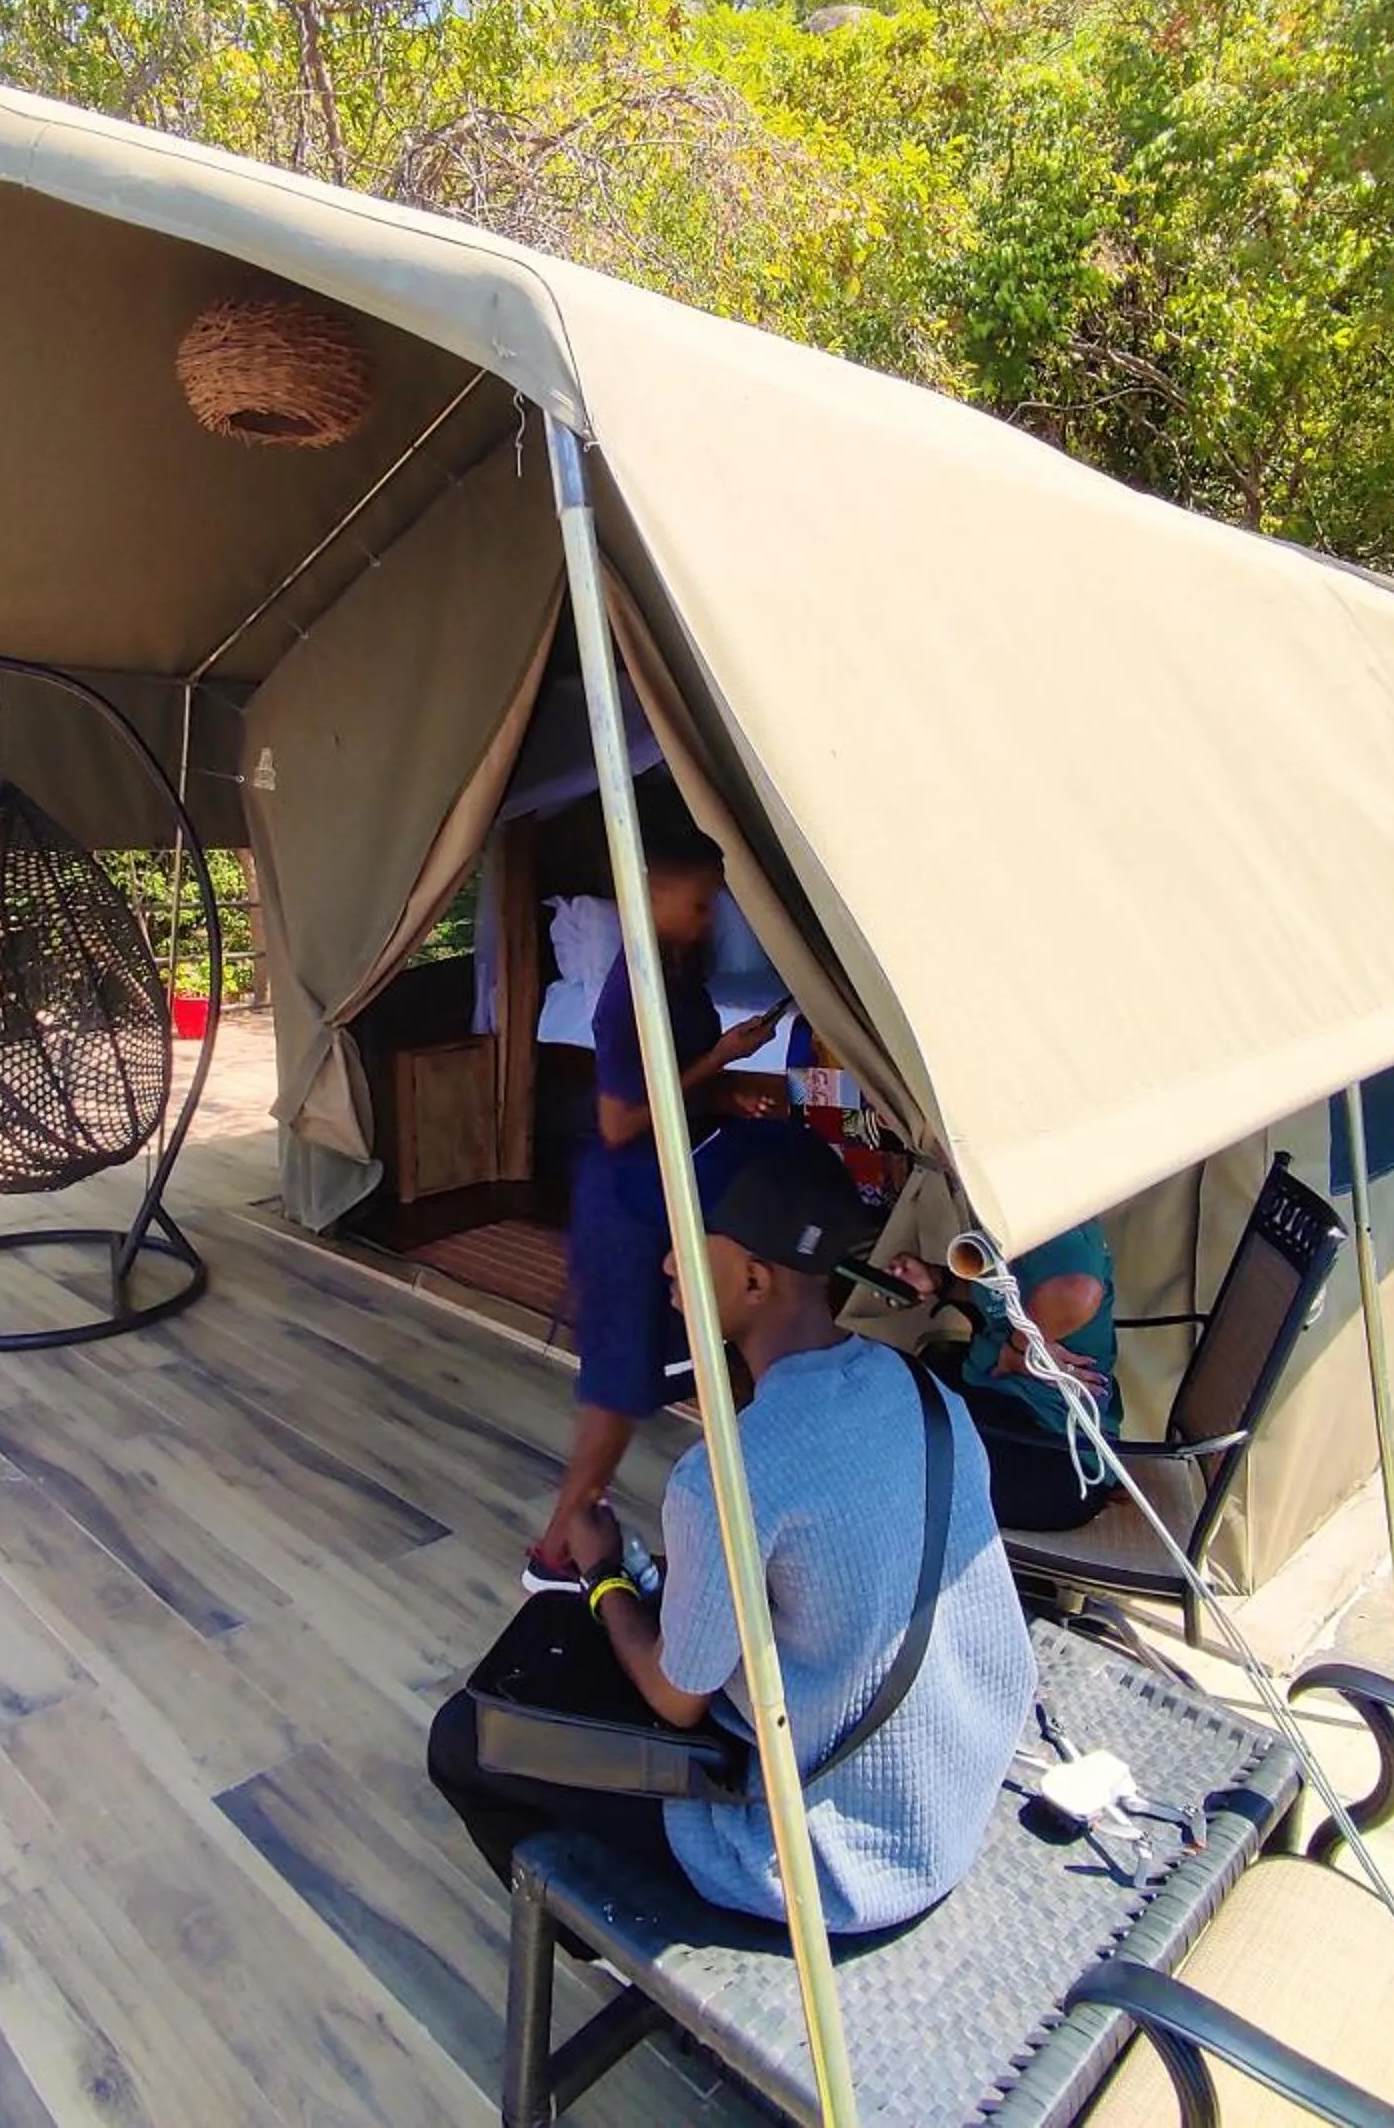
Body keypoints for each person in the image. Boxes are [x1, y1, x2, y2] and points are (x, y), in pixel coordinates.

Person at [433, 1133, 1032, 1934]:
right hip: (958, 1778)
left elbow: (677, 1698)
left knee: (461, 1742)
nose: (668, 1266)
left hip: (847, 1860)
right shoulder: (920, 1390)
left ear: (753, 1278)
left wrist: (606, 1572)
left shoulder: (728, 1476)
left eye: (684, 1246)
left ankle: (633, 1937)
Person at [534, 826, 785, 1573]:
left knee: (678, 1369)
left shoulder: (677, 979)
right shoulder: (627, 995)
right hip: (624, 1207)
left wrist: (732, 1093)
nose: (708, 920)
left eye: (712, 907)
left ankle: (748, 1535)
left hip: (664, 1193)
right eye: (698, 904)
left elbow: (684, 1084)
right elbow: (620, 1122)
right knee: (616, 1394)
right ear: (651, 897)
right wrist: (721, 1058)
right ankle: (552, 1555)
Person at [888, 1218, 1121, 1533]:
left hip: (1051, 1457)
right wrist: (937, 1279)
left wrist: (1020, 1347)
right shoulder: (1008, 1216)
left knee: (885, 1464)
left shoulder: (1062, 1224)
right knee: (885, 1392)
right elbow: (999, 1295)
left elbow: (1079, 1292)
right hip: (999, 1403)